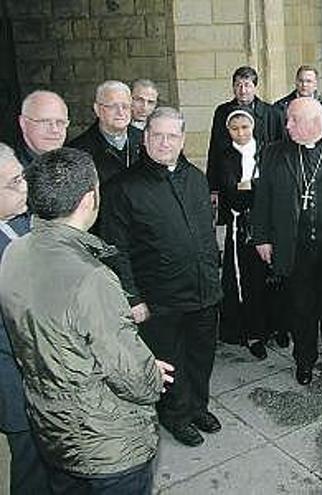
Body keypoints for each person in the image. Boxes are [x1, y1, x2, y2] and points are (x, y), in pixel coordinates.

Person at [0, 147, 173, 494]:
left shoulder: (16, 250)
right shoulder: (91, 277)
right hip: (105, 444)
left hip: (53, 431)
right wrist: (151, 374)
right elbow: (130, 373)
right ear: (89, 198)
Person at [101, 107, 222, 448]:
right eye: (157, 135)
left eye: (172, 136)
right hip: (159, 298)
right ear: (145, 138)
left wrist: (213, 277)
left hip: (203, 292)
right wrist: (132, 298)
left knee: (201, 356)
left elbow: (205, 234)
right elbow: (115, 249)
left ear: (182, 139)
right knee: (169, 362)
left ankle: (198, 406)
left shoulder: (196, 178)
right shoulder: (122, 188)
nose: (165, 142)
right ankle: (176, 415)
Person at [252, 98, 322, 385]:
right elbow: (262, 199)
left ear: (315, 123)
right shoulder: (274, 153)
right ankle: (305, 360)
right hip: (295, 246)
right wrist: (262, 237)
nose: (286, 125)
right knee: (301, 306)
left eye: (292, 120)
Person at [0, 143, 51, 494]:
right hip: (19, 384)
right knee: (31, 473)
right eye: (14, 181)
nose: (25, 187)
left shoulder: (24, 223)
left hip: (48, 380)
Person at [216, 108, 270, 361]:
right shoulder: (225, 157)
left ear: (253, 127)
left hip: (269, 223)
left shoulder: (267, 151)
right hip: (241, 227)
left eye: (244, 127)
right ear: (228, 131)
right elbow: (233, 195)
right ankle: (253, 333)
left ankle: (277, 325)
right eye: (235, 128)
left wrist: (250, 185)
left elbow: (273, 186)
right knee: (246, 280)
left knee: (274, 277)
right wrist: (253, 187)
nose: (240, 133)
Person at [206, 66, 283, 199]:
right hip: (229, 181)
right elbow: (215, 149)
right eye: (238, 85)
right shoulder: (222, 112)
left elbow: (280, 150)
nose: (243, 90)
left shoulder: (272, 113)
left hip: (263, 183)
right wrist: (213, 188)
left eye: (247, 85)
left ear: (255, 87)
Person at [69, 80, 142, 185]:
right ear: (97, 109)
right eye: (113, 106)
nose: (120, 112)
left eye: (125, 106)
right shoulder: (78, 152)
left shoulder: (145, 140)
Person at [13, 90, 69, 168]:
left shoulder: (74, 163)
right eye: (44, 121)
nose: (55, 130)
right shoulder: (8, 171)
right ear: (23, 123)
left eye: (60, 122)